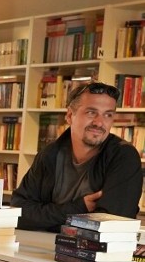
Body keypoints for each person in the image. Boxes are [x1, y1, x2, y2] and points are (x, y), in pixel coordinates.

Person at [11, 81, 141, 231]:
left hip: (96, 253)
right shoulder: (50, 154)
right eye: (91, 112)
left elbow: (110, 225)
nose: (99, 123)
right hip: (42, 246)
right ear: (69, 115)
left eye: (108, 115)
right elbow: (17, 212)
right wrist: (79, 207)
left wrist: (47, 217)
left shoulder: (123, 157)